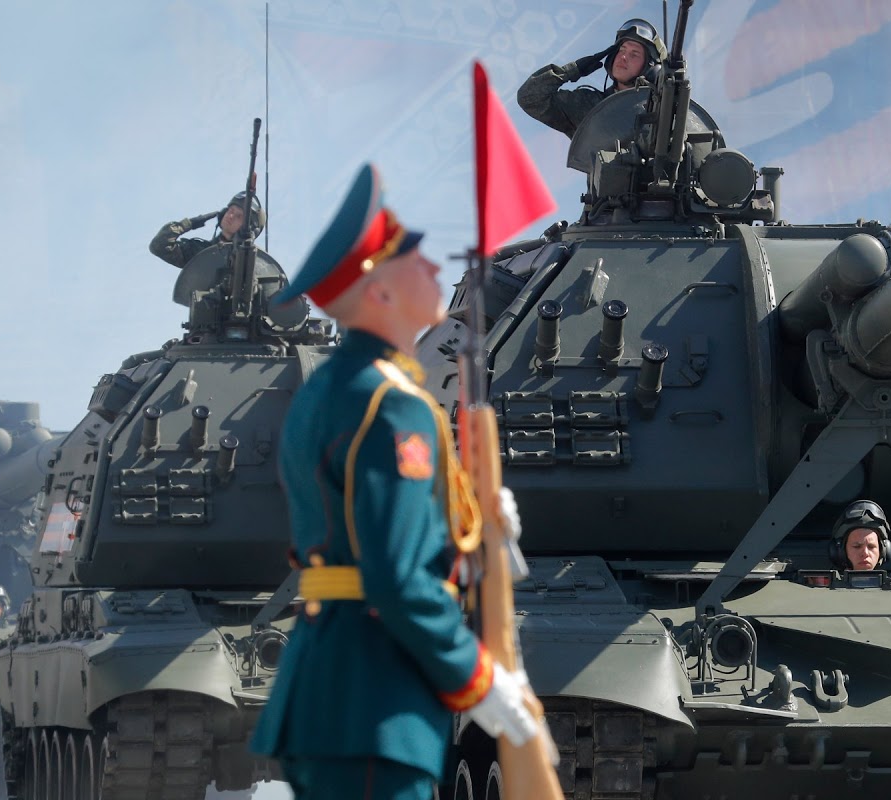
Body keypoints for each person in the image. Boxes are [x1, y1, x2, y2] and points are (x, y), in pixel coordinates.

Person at [250, 164, 539, 799]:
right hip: (376, 696)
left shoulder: (333, 389)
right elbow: (395, 574)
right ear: (378, 292)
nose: (437, 271)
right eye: (415, 260)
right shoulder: (393, 406)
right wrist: (478, 681)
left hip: (339, 686)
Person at [517, 18, 667, 137]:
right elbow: (530, 97)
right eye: (621, 49)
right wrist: (572, 70)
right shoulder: (590, 106)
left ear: (651, 67)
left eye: (634, 54)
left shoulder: (662, 110)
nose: (623, 57)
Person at [149, 191, 267, 268]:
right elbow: (160, 246)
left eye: (239, 216)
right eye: (230, 210)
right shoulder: (201, 252)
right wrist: (188, 224)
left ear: (250, 229)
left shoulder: (256, 264)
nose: (230, 216)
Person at [830, 500, 891, 572]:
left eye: (871, 547)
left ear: (883, 551)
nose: (865, 553)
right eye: (857, 546)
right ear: (840, 551)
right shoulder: (820, 582)